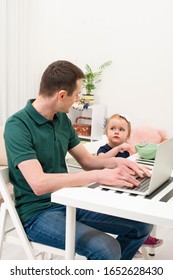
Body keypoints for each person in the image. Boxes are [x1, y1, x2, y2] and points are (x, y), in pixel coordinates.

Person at [4, 60, 153, 260]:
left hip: (70, 200)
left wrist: (117, 162)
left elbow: (87, 161)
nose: (78, 99)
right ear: (62, 95)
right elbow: (39, 184)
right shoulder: (18, 125)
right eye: (77, 94)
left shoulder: (62, 120)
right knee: (107, 249)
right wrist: (99, 176)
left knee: (141, 226)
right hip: (38, 213)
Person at [97, 113, 163, 254]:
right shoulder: (104, 149)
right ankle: (137, 238)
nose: (116, 132)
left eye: (121, 130)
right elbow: (100, 161)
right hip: (107, 189)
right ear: (106, 132)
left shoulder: (126, 150)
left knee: (145, 201)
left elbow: (131, 162)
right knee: (135, 207)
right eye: (113, 128)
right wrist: (116, 149)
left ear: (127, 135)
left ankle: (140, 238)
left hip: (123, 184)